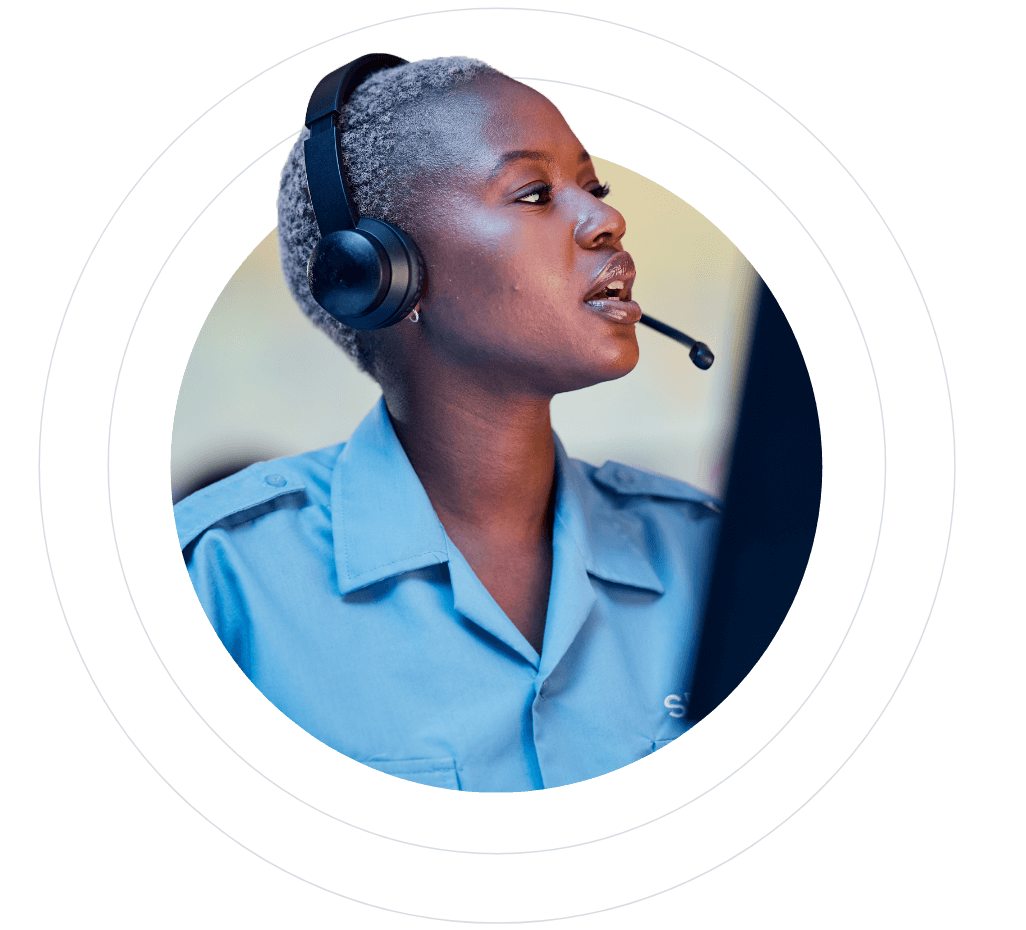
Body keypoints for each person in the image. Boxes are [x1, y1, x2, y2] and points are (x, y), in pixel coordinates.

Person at [174, 55, 723, 792]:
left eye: (595, 188)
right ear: (380, 272)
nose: (607, 219)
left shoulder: (707, 553)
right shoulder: (220, 580)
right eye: (535, 193)